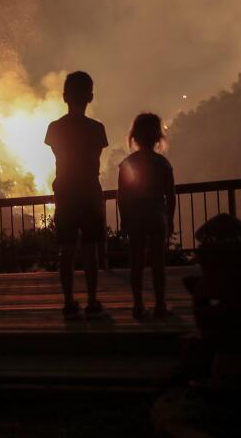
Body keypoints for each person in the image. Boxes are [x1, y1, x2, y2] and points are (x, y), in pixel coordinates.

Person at [45, 71, 109, 319]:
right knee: (91, 251)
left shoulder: (55, 128)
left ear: (64, 96)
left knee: (67, 251)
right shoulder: (97, 129)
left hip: (65, 191)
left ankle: (69, 300)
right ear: (90, 97)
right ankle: (92, 300)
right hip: (90, 192)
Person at [117, 113, 175, 319]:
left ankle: (138, 305)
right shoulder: (163, 164)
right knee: (158, 264)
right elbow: (170, 195)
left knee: (137, 263)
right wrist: (170, 218)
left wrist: (124, 219)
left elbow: (121, 196)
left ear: (134, 137)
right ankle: (160, 305)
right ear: (158, 137)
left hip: (135, 218)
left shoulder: (127, 164)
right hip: (157, 217)